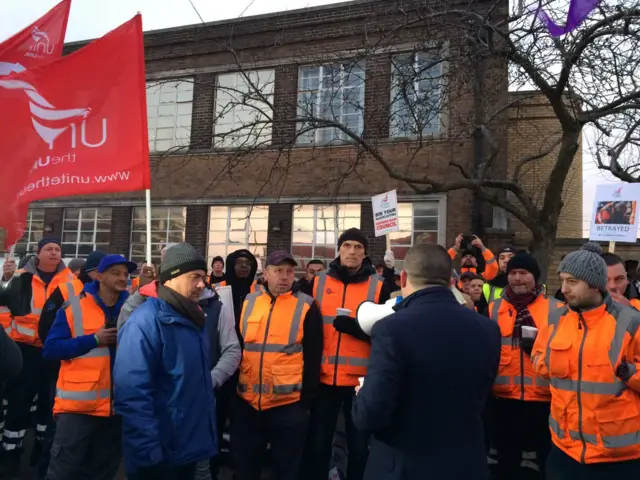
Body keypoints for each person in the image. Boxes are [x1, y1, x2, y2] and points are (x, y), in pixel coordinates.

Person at [352, 243, 501, 480]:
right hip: (466, 463)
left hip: (405, 465)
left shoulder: (391, 329)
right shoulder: (489, 330)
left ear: (403, 278)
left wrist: (363, 395)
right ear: (452, 282)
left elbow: (371, 416)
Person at [532, 242, 640, 478]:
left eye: (572, 282)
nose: (564, 288)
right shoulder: (555, 320)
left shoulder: (631, 322)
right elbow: (539, 360)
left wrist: (631, 374)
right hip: (565, 451)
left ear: (594, 285)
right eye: (562, 280)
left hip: (618, 457)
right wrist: (547, 363)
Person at [114, 243, 217, 479]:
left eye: (203, 277)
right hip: (159, 456)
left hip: (186, 448)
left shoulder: (193, 319)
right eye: (195, 277)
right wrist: (149, 455)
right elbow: (132, 396)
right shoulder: (145, 322)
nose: (202, 284)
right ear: (172, 277)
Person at [301, 228, 390, 480]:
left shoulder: (379, 286)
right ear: (338, 250)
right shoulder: (318, 281)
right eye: (347, 246)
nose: (352, 251)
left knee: (359, 447)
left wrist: (359, 329)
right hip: (324, 378)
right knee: (318, 444)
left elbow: (391, 331)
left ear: (365, 253)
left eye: (358, 247)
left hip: (361, 383)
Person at [231, 251, 323, 480]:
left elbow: (313, 357)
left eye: (289, 271)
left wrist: (305, 403)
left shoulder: (306, 306)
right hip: (248, 404)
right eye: (278, 270)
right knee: (245, 469)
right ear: (266, 273)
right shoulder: (249, 301)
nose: (284, 276)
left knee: (286, 471)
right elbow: (239, 348)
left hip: (288, 406)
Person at [42, 254, 135, 480]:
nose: (122, 278)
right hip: (77, 408)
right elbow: (51, 349)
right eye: (116, 273)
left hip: (116, 408)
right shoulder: (74, 306)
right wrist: (94, 340)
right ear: (100, 276)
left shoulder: (134, 309)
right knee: (63, 471)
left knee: (102, 472)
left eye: (125, 274)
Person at [0, 239, 75, 477]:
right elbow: (3, 308)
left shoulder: (71, 281)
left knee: (49, 401)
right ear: (39, 254)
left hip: (53, 350)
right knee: (19, 401)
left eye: (58, 250)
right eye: (49, 249)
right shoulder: (20, 276)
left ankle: (42, 448)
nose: (54, 253)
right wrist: (4, 280)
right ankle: (11, 452)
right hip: (23, 349)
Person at [488, 252, 560, 479]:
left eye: (523, 273)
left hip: (543, 401)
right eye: (513, 273)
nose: (517, 278)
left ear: (535, 277)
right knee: (505, 463)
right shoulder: (493, 309)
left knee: (542, 463)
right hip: (503, 401)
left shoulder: (556, 309)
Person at [36, 250, 107, 477]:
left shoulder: (113, 298)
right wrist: (64, 354)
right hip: (67, 377)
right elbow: (46, 329)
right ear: (94, 272)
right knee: (60, 440)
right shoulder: (68, 291)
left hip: (97, 389)